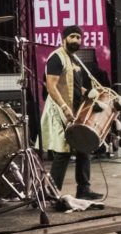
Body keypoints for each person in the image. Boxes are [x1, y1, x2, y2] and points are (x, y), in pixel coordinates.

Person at [41, 25, 103, 200]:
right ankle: (51, 194)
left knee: (84, 147)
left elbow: (73, 85)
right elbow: (50, 86)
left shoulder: (74, 60)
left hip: (75, 109)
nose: (76, 40)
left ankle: (84, 190)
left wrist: (86, 92)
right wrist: (64, 107)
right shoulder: (56, 57)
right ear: (64, 38)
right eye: (73, 37)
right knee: (63, 152)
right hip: (59, 109)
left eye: (78, 37)